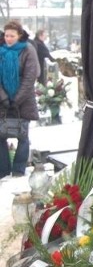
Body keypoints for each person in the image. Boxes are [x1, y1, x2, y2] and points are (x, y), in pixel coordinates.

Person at [0, 20, 40, 178]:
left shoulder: (28, 50)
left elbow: (30, 77)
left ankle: (18, 169)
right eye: (7, 35)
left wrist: (16, 100)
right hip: (2, 102)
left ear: (19, 35)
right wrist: (4, 98)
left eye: (12, 35)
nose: (9, 38)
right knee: (0, 136)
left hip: (23, 101)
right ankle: (3, 170)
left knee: (23, 136)